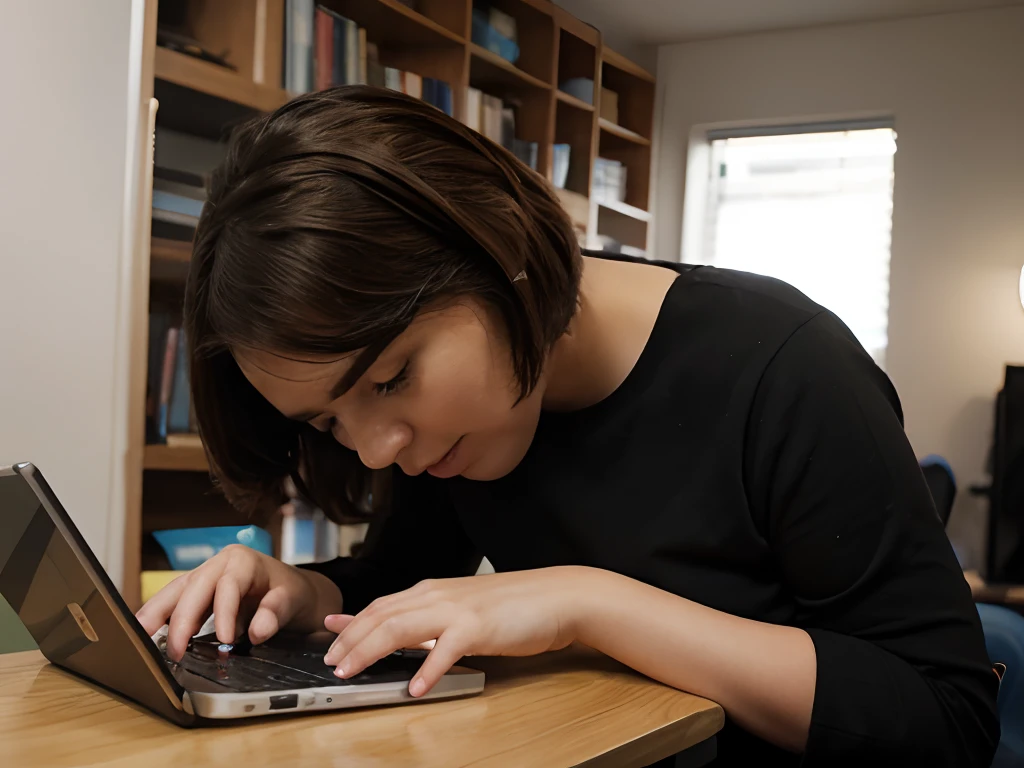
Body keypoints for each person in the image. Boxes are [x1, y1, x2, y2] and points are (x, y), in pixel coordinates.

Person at [137, 86, 999, 766]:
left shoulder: (785, 365)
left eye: (393, 377)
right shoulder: (456, 430)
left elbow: (943, 718)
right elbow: (399, 578)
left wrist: (592, 602)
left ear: (497, 245)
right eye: (329, 419)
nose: (374, 447)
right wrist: (299, 594)